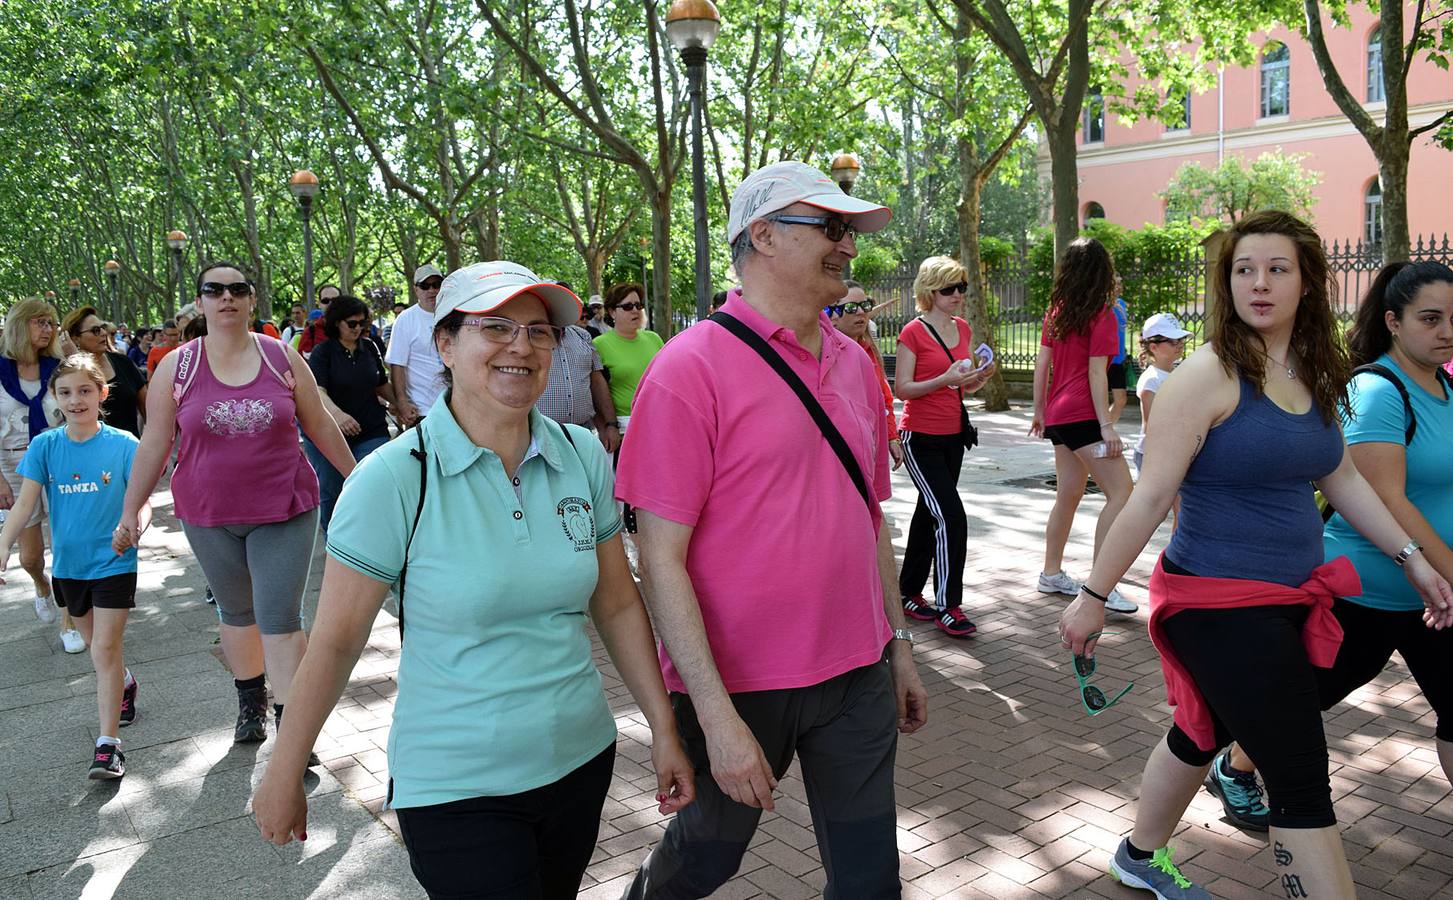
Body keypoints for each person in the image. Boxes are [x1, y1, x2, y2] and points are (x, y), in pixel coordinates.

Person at [251, 261, 694, 898]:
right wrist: (285, 768)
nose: (521, 346)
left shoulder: (581, 456)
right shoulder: (394, 478)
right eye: (496, 327)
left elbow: (618, 605)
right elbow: (337, 640)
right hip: (456, 783)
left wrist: (663, 728)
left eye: (539, 331)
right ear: (446, 344)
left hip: (579, 761)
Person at [1059, 211, 1453, 899]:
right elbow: (1150, 499)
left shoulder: (1314, 369)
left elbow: (1342, 477)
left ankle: (1137, 854)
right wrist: (1092, 596)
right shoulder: (1204, 375)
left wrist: (1410, 556)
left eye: (1276, 269)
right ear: (1227, 282)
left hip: (1291, 596)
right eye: (1244, 270)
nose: (1258, 284)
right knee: (1298, 772)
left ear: (1305, 282)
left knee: (1200, 728)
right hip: (1214, 602)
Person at [618, 160, 927, 898]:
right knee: (705, 859)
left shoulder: (856, 366)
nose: (848, 246)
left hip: (855, 676)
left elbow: (868, 517)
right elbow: (659, 560)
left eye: (847, 230)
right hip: (737, 685)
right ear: (760, 235)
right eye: (828, 226)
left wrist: (899, 646)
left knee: (868, 879)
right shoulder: (685, 369)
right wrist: (716, 719)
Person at [1202, 261, 1453, 835]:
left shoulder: (1446, 386)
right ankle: (1233, 763)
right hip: (1369, 586)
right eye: (1431, 319)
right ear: (1393, 321)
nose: (1446, 331)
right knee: (1303, 698)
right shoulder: (1378, 391)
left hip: (1434, 595)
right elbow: (1384, 499)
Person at [117, 261, 355, 754]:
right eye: (214, 290)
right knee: (237, 614)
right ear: (200, 302)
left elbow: (319, 425)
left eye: (238, 289)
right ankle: (251, 702)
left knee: (280, 619)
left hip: (286, 507)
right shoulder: (177, 368)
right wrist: (129, 512)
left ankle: (294, 729)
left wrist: (357, 482)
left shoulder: (281, 357)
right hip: (208, 513)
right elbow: (155, 443)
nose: (227, 297)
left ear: (251, 299)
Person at [0, 354, 148, 780]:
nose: (75, 399)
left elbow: (140, 504)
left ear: (102, 393)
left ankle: (108, 747)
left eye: (85, 390)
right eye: (65, 392)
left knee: (103, 650)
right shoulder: (45, 446)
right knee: (100, 653)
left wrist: (132, 528)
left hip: (115, 562)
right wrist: (4, 544)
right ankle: (125, 681)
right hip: (69, 567)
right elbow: (26, 502)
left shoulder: (124, 444)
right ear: (55, 399)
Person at [1030, 238, 1138, 613]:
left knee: (1069, 494)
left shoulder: (1057, 311)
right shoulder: (1103, 314)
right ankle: (1102, 586)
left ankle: (1051, 573)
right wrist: (1106, 425)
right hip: (1083, 417)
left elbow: (1042, 364)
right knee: (1123, 494)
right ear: (1102, 271)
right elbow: (1096, 374)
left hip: (1060, 416)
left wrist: (1039, 411)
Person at [893, 257, 995, 637]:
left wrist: (978, 379)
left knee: (928, 513)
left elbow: (960, 385)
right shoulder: (913, 333)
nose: (957, 296)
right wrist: (945, 378)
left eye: (961, 288)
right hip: (919, 438)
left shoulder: (963, 329)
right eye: (948, 289)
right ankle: (948, 605)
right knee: (951, 517)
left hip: (954, 435)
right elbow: (902, 389)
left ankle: (907, 593)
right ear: (929, 292)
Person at [1, 298, 78, 651]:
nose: (48, 329)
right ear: (20, 325)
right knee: (31, 557)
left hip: (59, 462)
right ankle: (41, 586)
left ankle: (69, 620)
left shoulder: (59, 368)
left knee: (66, 544)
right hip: (13, 467)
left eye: (52, 323)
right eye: (40, 322)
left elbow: (83, 405)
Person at [305, 294, 396, 534]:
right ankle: (335, 542)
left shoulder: (371, 348)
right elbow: (317, 391)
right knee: (333, 490)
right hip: (331, 433)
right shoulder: (323, 353)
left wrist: (400, 404)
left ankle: (373, 538)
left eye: (362, 323)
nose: (358, 329)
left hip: (372, 429)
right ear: (337, 323)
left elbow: (380, 383)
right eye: (352, 323)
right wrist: (338, 416)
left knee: (373, 481)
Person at [828, 280, 903, 472]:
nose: (861, 312)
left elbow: (884, 399)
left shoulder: (869, 350)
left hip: (868, 445)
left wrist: (892, 437)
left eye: (865, 305)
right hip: (835, 452)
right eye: (851, 307)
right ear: (832, 315)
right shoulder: (823, 352)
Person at [62, 306, 148, 437]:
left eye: (103, 328)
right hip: (90, 451)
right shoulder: (66, 373)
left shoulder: (124, 362)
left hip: (131, 450)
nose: (103, 333)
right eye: (95, 330)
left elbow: (147, 410)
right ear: (75, 338)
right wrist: (75, 359)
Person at [538, 316, 619, 453]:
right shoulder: (531, 337)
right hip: (542, 436)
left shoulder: (582, 336)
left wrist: (610, 424)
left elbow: (597, 383)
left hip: (583, 435)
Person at [593, 282, 663, 430]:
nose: (635, 311)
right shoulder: (598, 345)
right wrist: (607, 426)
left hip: (659, 420)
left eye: (638, 305)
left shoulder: (654, 339)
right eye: (628, 306)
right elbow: (594, 393)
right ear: (612, 312)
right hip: (624, 428)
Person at [1132, 312, 1191, 477]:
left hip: (1174, 450)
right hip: (1153, 454)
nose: (1179, 344)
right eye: (1172, 341)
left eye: (1181, 340)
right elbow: (1151, 425)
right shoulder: (1151, 380)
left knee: (1180, 501)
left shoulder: (1178, 372)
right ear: (1153, 347)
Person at [387, 265, 447, 427]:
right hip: (422, 410)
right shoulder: (405, 319)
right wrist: (402, 402)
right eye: (425, 286)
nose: (432, 290)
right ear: (416, 289)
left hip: (456, 406)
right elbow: (397, 364)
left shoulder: (454, 314)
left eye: (436, 284)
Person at [1108, 277, 1130, 423]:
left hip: (1118, 359)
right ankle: (1101, 435)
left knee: (1121, 399)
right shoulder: (1101, 306)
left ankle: (1106, 430)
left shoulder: (1121, 303)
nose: (1118, 287)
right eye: (1115, 284)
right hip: (1105, 359)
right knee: (1100, 403)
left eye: (1120, 283)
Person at [298, 284, 340, 354]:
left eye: (335, 300)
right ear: (320, 304)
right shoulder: (310, 332)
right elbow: (301, 362)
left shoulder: (352, 328)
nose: (330, 304)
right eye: (325, 301)